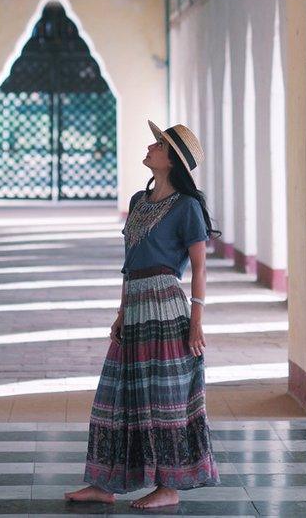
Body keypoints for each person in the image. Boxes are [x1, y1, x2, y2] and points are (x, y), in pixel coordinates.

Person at [65, 120, 221, 509]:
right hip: (134, 304)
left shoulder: (187, 208)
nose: (150, 148)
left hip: (165, 306)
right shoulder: (138, 201)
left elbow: (200, 268)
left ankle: (168, 488)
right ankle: (105, 483)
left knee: (163, 397)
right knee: (116, 395)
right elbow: (128, 263)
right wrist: (120, 312)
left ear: (172, 161)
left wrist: (197, 320)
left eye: (158, 146)